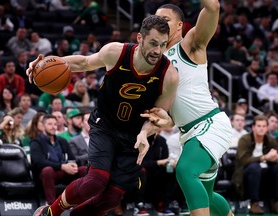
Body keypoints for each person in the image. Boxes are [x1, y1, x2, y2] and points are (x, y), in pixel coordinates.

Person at [28, 14, 178, 216]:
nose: (157, 51)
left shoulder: (169, 75)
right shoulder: (116, 52)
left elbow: (157, 116)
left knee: (112, 198)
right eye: (153, 43)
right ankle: (50, 212)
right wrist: (44, 64)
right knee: (96, 181)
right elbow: (83, 63)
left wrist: (145, 133)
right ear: (140, 38)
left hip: (135, 136)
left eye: (162, 44)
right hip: (106, 124)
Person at [142, 2, 233, 216]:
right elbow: (173, 113)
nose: (159, 24)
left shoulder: (190, 45)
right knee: (207, 197)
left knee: (184, 170)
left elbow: (212, 8)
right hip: (189, 133)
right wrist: (163, 122)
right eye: (156, 20)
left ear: (180, 25)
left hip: (209, 124)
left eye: (165, 20)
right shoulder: (155, 62)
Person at [30, 114, 87, 205]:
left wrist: (73, 165)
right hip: (47, 174)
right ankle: (51, 205)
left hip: (64, 172)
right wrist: (62, 166)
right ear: (43, 125)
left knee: (83, 170)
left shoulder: (62, 140)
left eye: (55, 124)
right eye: (50, 124)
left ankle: (84, 204)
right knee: (47, 170)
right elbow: (39, 162)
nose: (53, 127)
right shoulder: (36, 142)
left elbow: (72, 158)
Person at [232, 115, 278, 214]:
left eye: (264, 126)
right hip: (245, 174)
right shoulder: (244, 139)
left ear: (267, 128)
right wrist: (264, 157)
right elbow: (243, 160)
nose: (261, 128)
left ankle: (277, 202)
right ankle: (254, 203)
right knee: (255, 167)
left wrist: (277, 157)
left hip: (265, 174)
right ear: (253, 127)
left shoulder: (270, 140)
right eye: (259, 126)